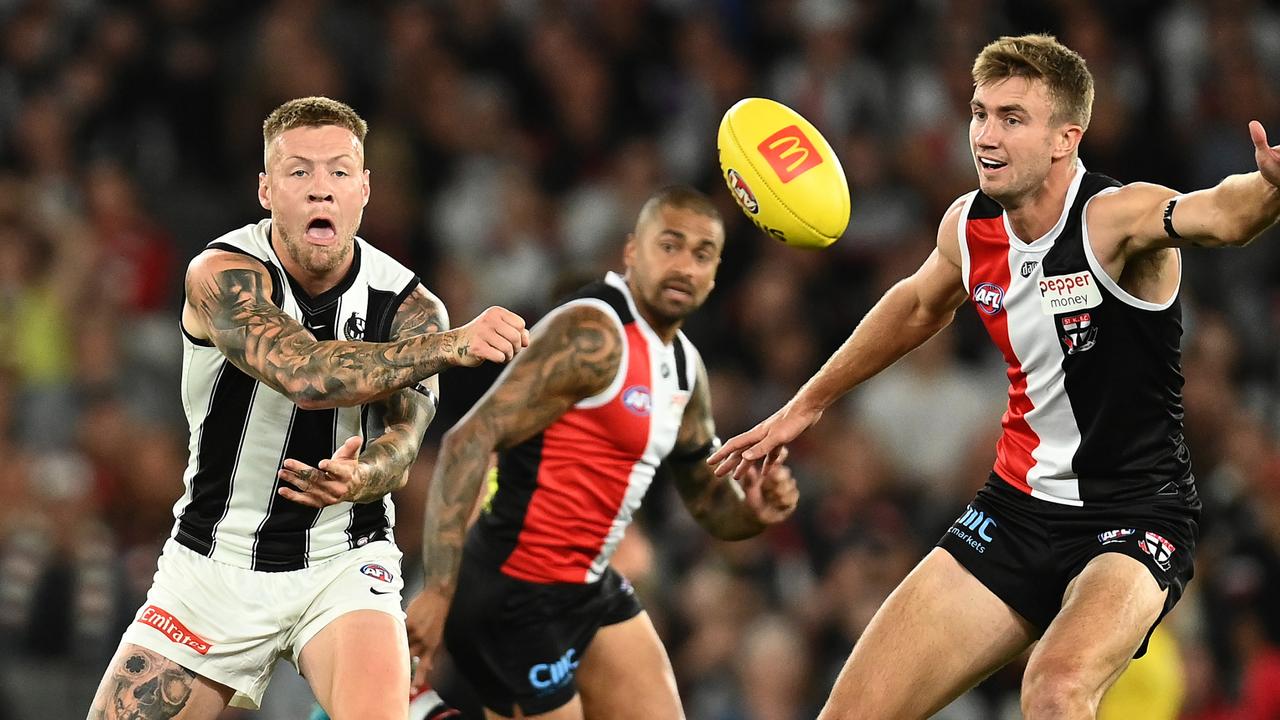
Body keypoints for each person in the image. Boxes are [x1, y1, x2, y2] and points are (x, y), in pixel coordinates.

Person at [710, 33, 1280, 720]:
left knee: (1054, 690)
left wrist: (1268, 189)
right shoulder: (970, 225)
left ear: (1066, 138)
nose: (985, 134)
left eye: (1013, 118)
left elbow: (1221, 213)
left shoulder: (1116, 220)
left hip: (1133, 518)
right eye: (980, 113)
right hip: (1014, 512)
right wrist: (809, 404)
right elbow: (918, 304)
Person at [87, 96, 530, 720]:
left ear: (365, 189)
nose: (321, 190)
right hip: (216, 560)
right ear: (267, 190)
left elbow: (404, 447)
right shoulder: (223, 274)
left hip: (343, 560)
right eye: (300, 172)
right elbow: (307, 374)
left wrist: (363, 475)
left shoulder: (410, 307)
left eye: (339, 172)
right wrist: (452, 346)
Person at [405, 186, 800, 720]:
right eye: (670, 245)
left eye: (701, 254)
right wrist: (437, 591)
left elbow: (709, 505)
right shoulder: (592, 332)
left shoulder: (685, 368)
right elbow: (467, 440)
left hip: (589, 585)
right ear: (632, 251)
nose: (684, 265)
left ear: (715, 272)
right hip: (513, 589)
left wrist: (753, 511)